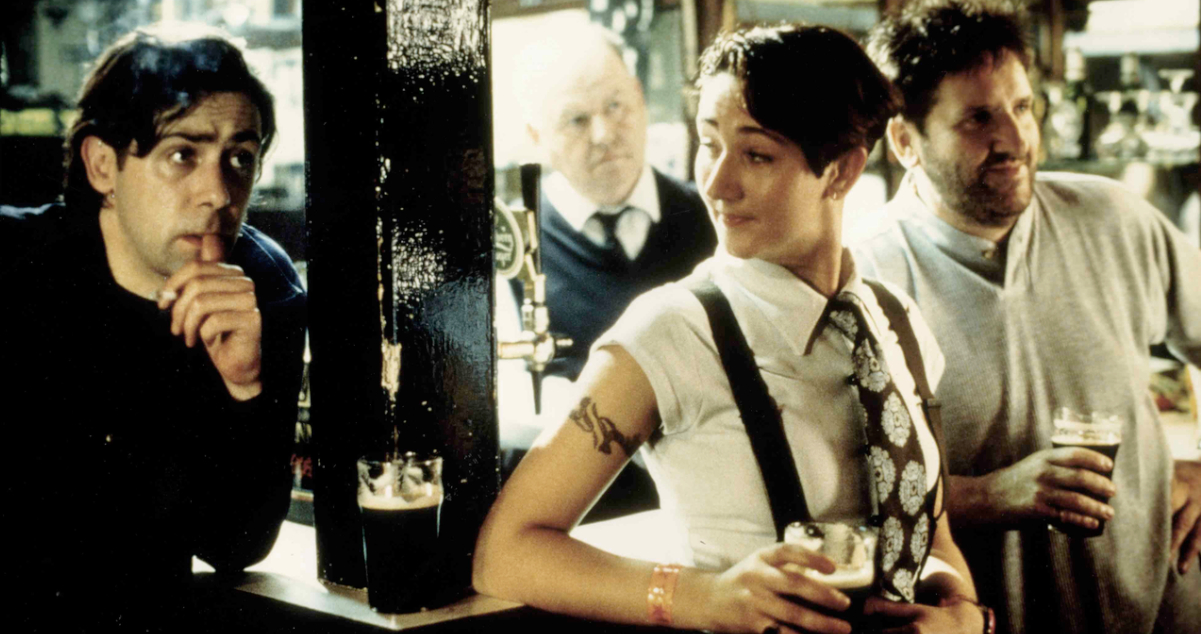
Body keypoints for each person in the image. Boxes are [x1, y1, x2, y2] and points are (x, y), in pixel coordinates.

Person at [476, 24, 988, 634]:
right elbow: (505, 552)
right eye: (709, 143)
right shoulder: (671, 330)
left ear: (843, 171)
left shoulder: (896, 321)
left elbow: (932, 535)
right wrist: (702, 597)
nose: (717, 184)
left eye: (756, 155)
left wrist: (962, 614)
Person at [852, 2, 1201, 633]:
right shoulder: (863, 276)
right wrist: (988, 496)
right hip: (983, 620)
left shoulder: (1116, 219)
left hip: (1166, 609)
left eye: (1022, 107)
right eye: (978, 118)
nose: (1014, 139)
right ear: (905, 141)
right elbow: (842, 495)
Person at [0, 25, 306, 630]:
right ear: (102, 166)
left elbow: (235, 545)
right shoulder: (16, 265)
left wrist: (245, 387)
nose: (218, 194)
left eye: (240, 158)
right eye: (182, 155)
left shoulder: (261, 286)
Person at [505, 23, 716, 382]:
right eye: (576, 120)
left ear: (640, 97)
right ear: (536, 136)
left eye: (615, 106)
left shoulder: (712, 217)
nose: (603, 135)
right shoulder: (512, 249)